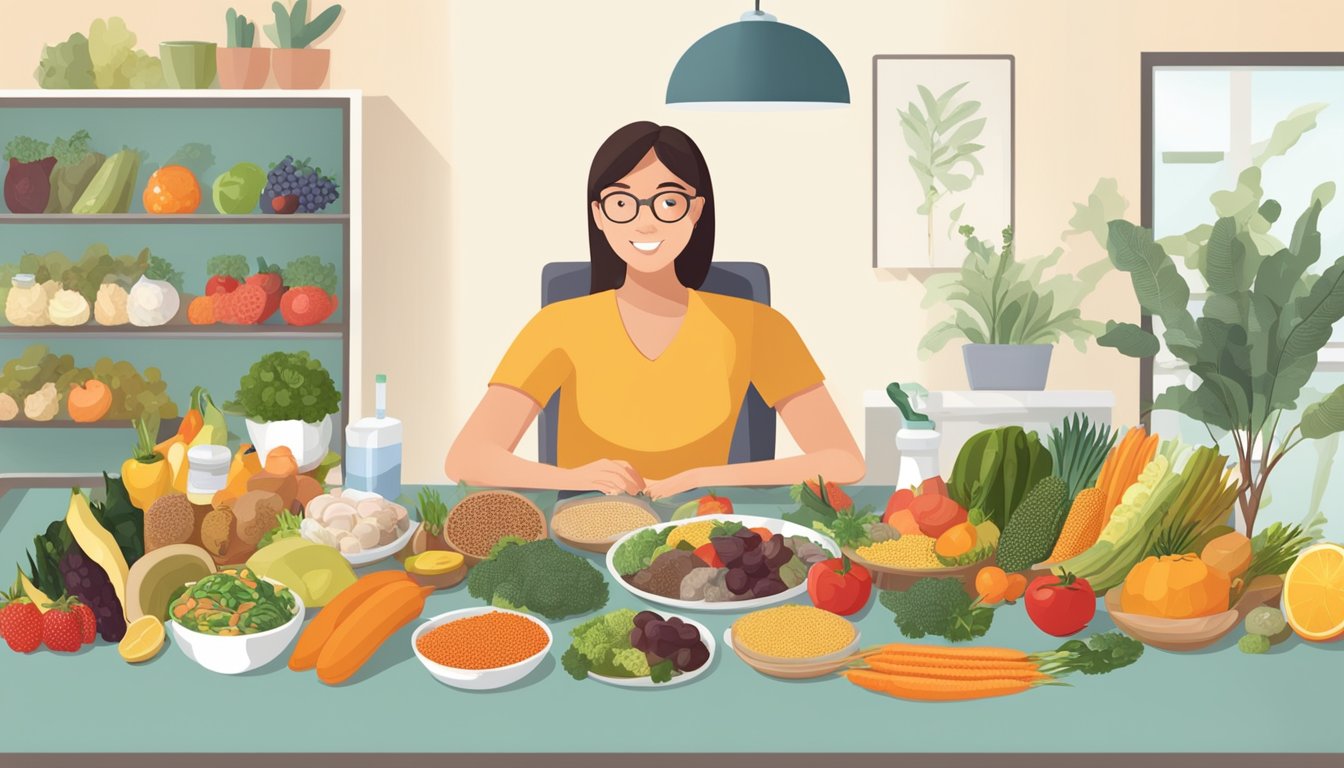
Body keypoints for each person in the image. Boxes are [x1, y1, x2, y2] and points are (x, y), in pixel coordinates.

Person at [444, 121, 864, 499]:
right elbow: (467, 458)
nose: (645, 223)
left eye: (667, 203)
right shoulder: (558, 325)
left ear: (695, 211)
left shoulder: (757, 325)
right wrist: (579, 479)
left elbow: (844, 461)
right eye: (623, 204)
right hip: (585, 532)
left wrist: (702, 477)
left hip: (709, 539)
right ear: (600, 216)